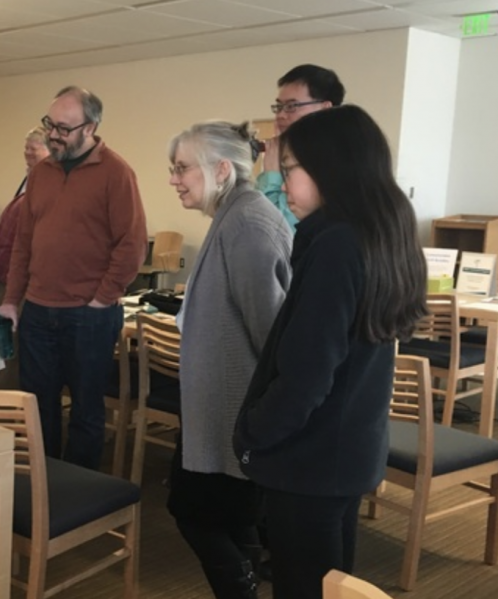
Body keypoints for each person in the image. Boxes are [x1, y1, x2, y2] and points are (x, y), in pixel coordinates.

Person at [233, 105, 428, 599]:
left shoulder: (337, 244)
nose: (282, 181)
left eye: (290, 169)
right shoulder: (381, 232)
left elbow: (306, 373)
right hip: (346, 449)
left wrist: (256, 431)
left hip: (311, 458)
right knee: (334, 582)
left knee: (307, 585)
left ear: (330, 169)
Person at [0, 86, 148, 470]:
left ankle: (78, 496)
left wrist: (102, 299)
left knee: (86, 412)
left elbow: (132, 244)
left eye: (63, 127)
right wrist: (12, 299)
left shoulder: (117, 173)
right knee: (38, 408)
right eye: (50, 124)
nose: (53, 135)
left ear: (90, 127)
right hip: (39, 312)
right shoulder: (41, 174)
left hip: (89, 315)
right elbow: (25, 243)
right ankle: (44, 487)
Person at [165, 121, 292, 598]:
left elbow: (271, 332)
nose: (174, 180)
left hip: (234, 413)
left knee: (197, 514)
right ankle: (245, 581)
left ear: (221, 169)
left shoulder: (248, 222)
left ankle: (242, 588)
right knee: (219, 517)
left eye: (182, 169)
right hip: (218, 412)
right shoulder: (233, 214)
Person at [0, 125, 51, 389]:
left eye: (35, 149)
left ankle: (3, 422)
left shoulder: (45, 189)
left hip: (11, 290)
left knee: (3, 366)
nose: (28, 154)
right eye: (26, 148)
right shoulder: (29, 183)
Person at [259, 64, 345, 231]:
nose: (281, 115)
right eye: (279, 107)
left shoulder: (332, 160)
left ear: (325, 108)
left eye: (292, 106)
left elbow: (280, 231)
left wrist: (271, 176)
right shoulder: (283, 152)